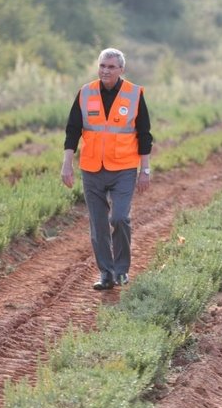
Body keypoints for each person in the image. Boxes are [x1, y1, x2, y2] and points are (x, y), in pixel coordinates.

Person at [61, 48, 153, 290]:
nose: (105, 70)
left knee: (119, 218)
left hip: (123, 168)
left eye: (111, 67)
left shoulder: (134, 94)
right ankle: (107, 274)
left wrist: (145, 170)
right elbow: (72, 131)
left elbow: (144, 135)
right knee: (99, 224)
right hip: (92, 169)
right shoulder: (85, 92)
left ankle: (122, 270)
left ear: (121, 69)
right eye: (102, 65)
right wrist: (67, 164)